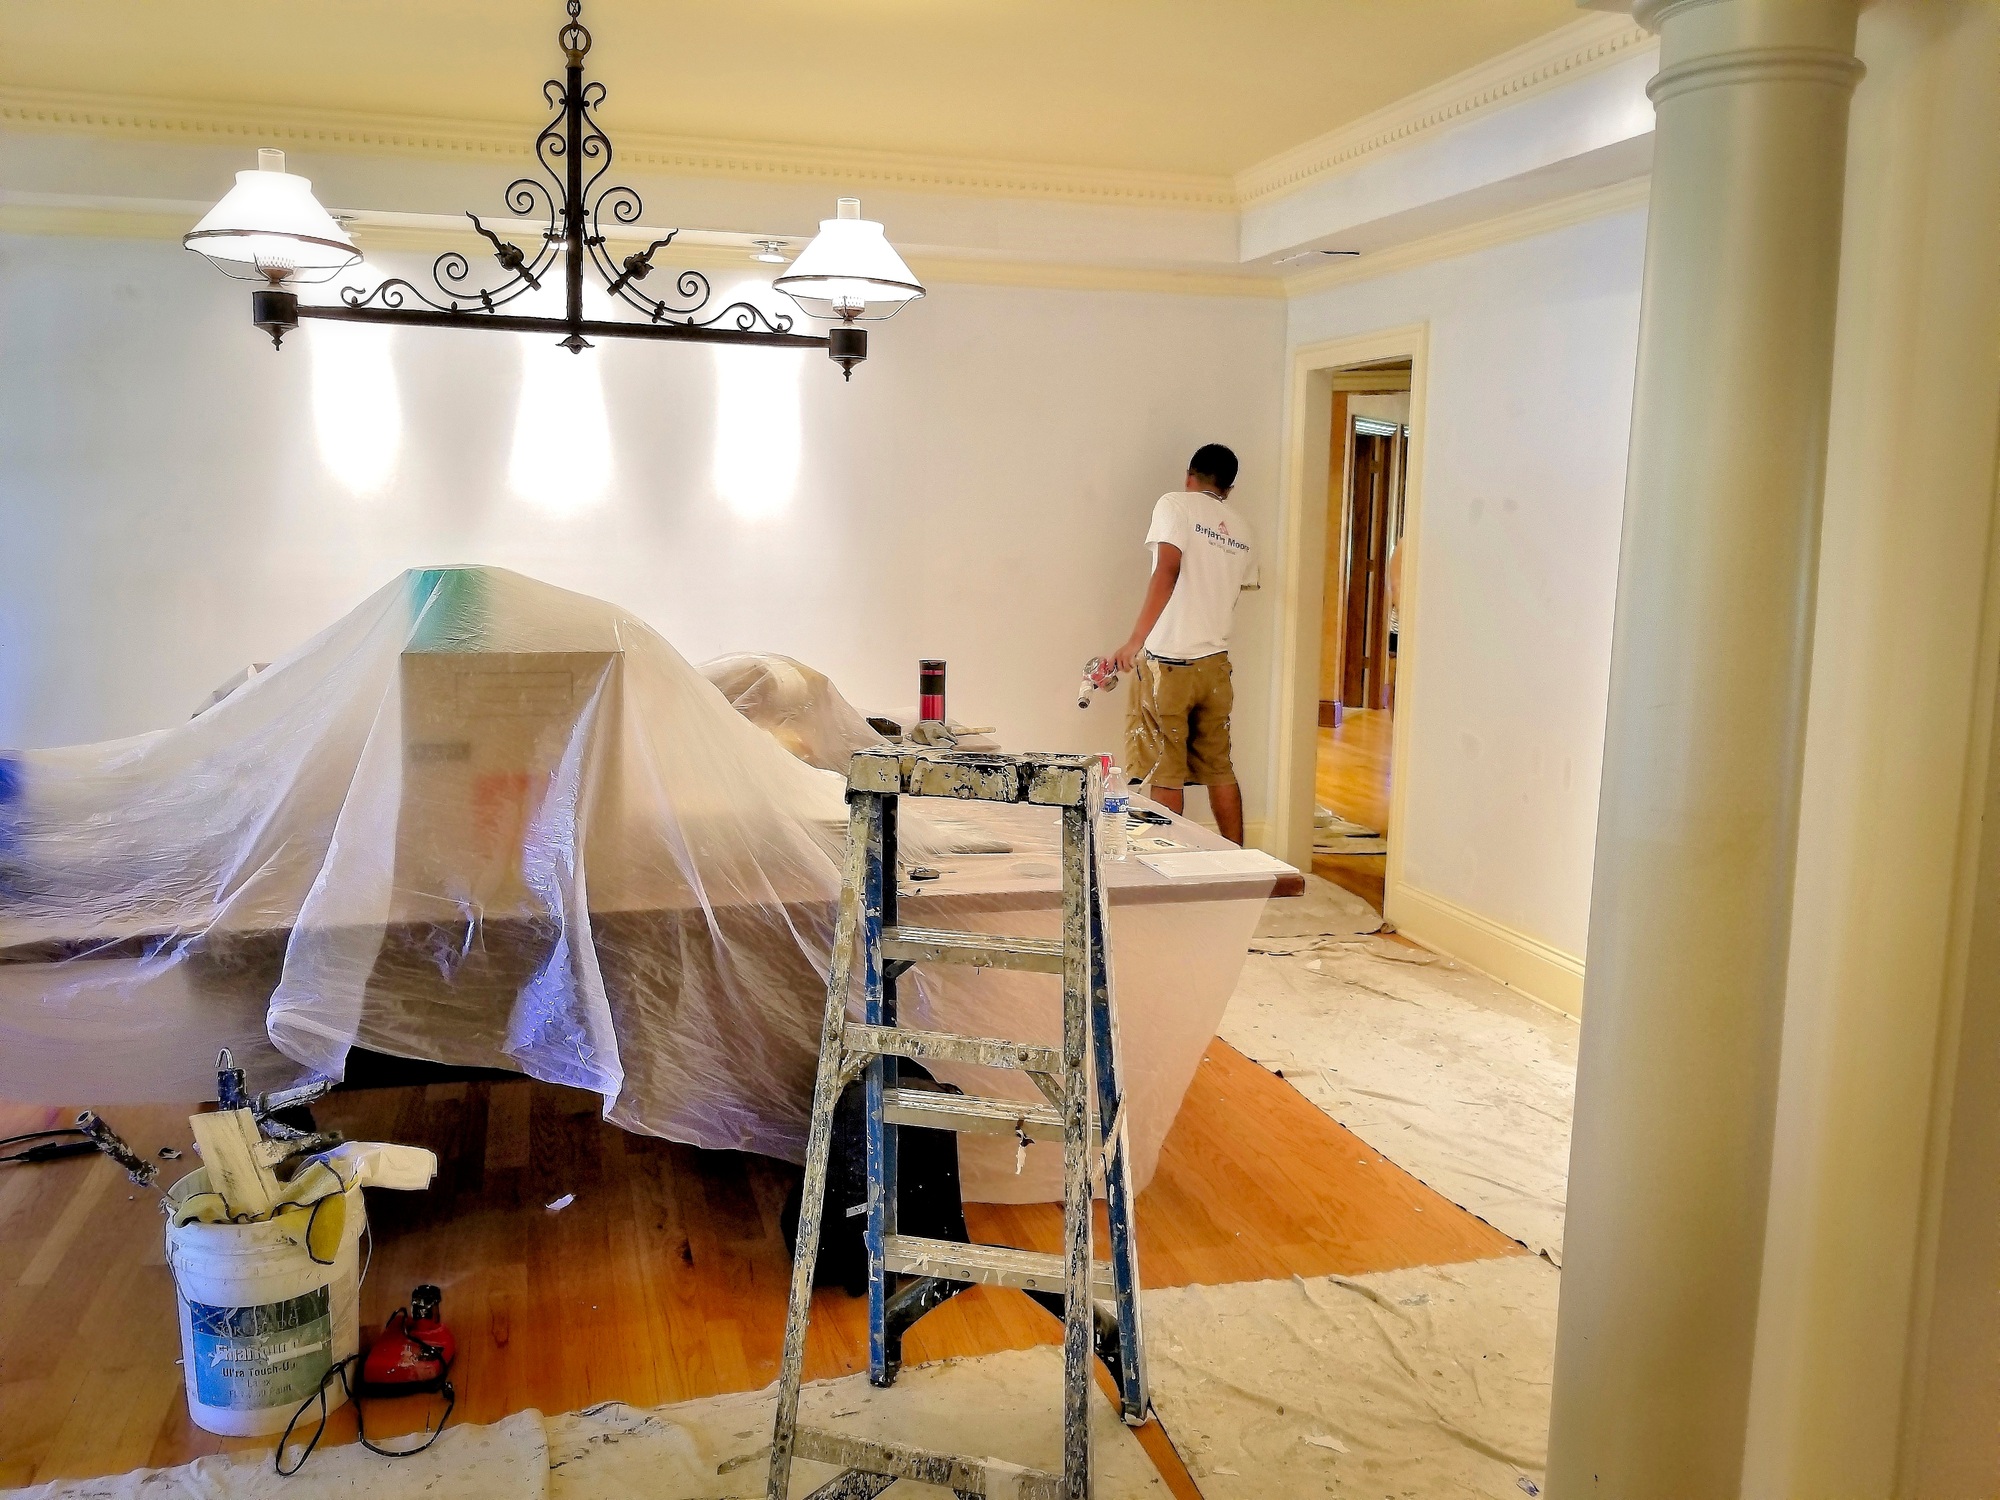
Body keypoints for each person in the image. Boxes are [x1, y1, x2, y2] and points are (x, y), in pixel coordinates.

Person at [1107, 443, 1258, 845]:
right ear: (1228, 488)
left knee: (1164, 769)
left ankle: (1167, 858)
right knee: (1219, 768)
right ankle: (1237, 859)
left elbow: (1168, 570)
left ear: (1189, 476)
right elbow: (1232, 591)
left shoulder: (1175, 504)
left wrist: (1135, 641)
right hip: (1215, 666)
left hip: (1168, 665)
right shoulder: (1241, 528)